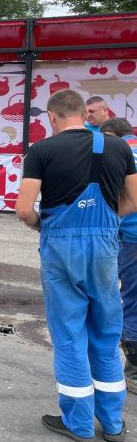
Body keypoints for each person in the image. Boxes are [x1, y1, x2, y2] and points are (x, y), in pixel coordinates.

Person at [16, 89, 137, 442]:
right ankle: (113, 423)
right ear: (85, 113)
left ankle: (80, 423)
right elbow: (133, 201)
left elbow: (24, 208)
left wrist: (44, 223)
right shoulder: (119, 148)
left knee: (69, 332)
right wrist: (103, 223)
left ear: (51, 117)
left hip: (61, 247)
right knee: (105, 330)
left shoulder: (41, 151)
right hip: (104, 247)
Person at [99, 117, 137, 396]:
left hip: (132, 238)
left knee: (132, 300)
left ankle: (133, 369)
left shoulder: (114, 154)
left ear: (111, 135)